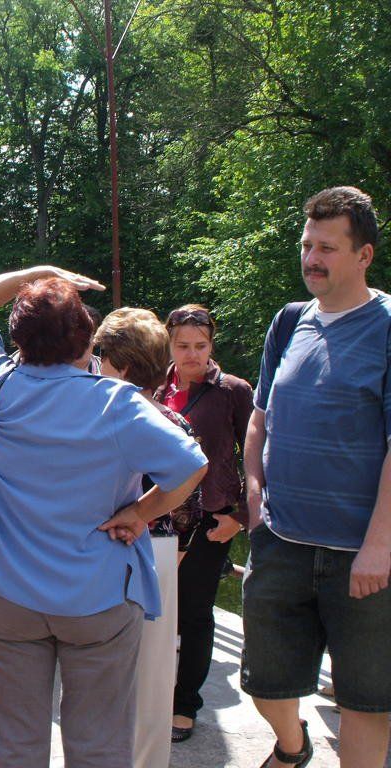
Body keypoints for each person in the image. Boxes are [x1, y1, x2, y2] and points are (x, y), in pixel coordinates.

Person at [0, 266, 208, 768]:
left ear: (19, 339)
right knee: (99, 745)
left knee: (11, 742)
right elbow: (191, 465)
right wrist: (140, 512)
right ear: (86, 340)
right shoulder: (118, 403)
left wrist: (39, 274)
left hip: (7, 594)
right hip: (99, 597)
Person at [242, 186, 391, 768]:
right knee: (265, 683)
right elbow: (259, 419)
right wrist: (254, 494)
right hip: (281, 542)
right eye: (307, 245)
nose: (311, 258)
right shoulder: (289, 322)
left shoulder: (386, 327)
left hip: (362, 557)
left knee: (365, 702)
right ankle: (293, 744)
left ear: (364, 255)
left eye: (327, 247)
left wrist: (379, 546)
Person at [94, 307, 201, 768]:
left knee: (103, 676)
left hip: (125, 547)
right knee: (153, 676)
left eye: (101, 355)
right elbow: (191, 508)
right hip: (160, 551)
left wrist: (138, 514)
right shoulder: (173, 419)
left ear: (121, 365)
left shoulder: (109, 418)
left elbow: (192, 479)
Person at [156, 303, 253, 743]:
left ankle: (185, 704)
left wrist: (240, 517)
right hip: (159, 517)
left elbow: (258, 458)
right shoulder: (156, 388)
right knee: (156, 611)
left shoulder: (232, 391)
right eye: (183, 346)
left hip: (211, 520)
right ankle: (154, 692)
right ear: (169, 345)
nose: (192, 354)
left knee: (195, 614)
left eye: (200, 345)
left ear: (212, 344)